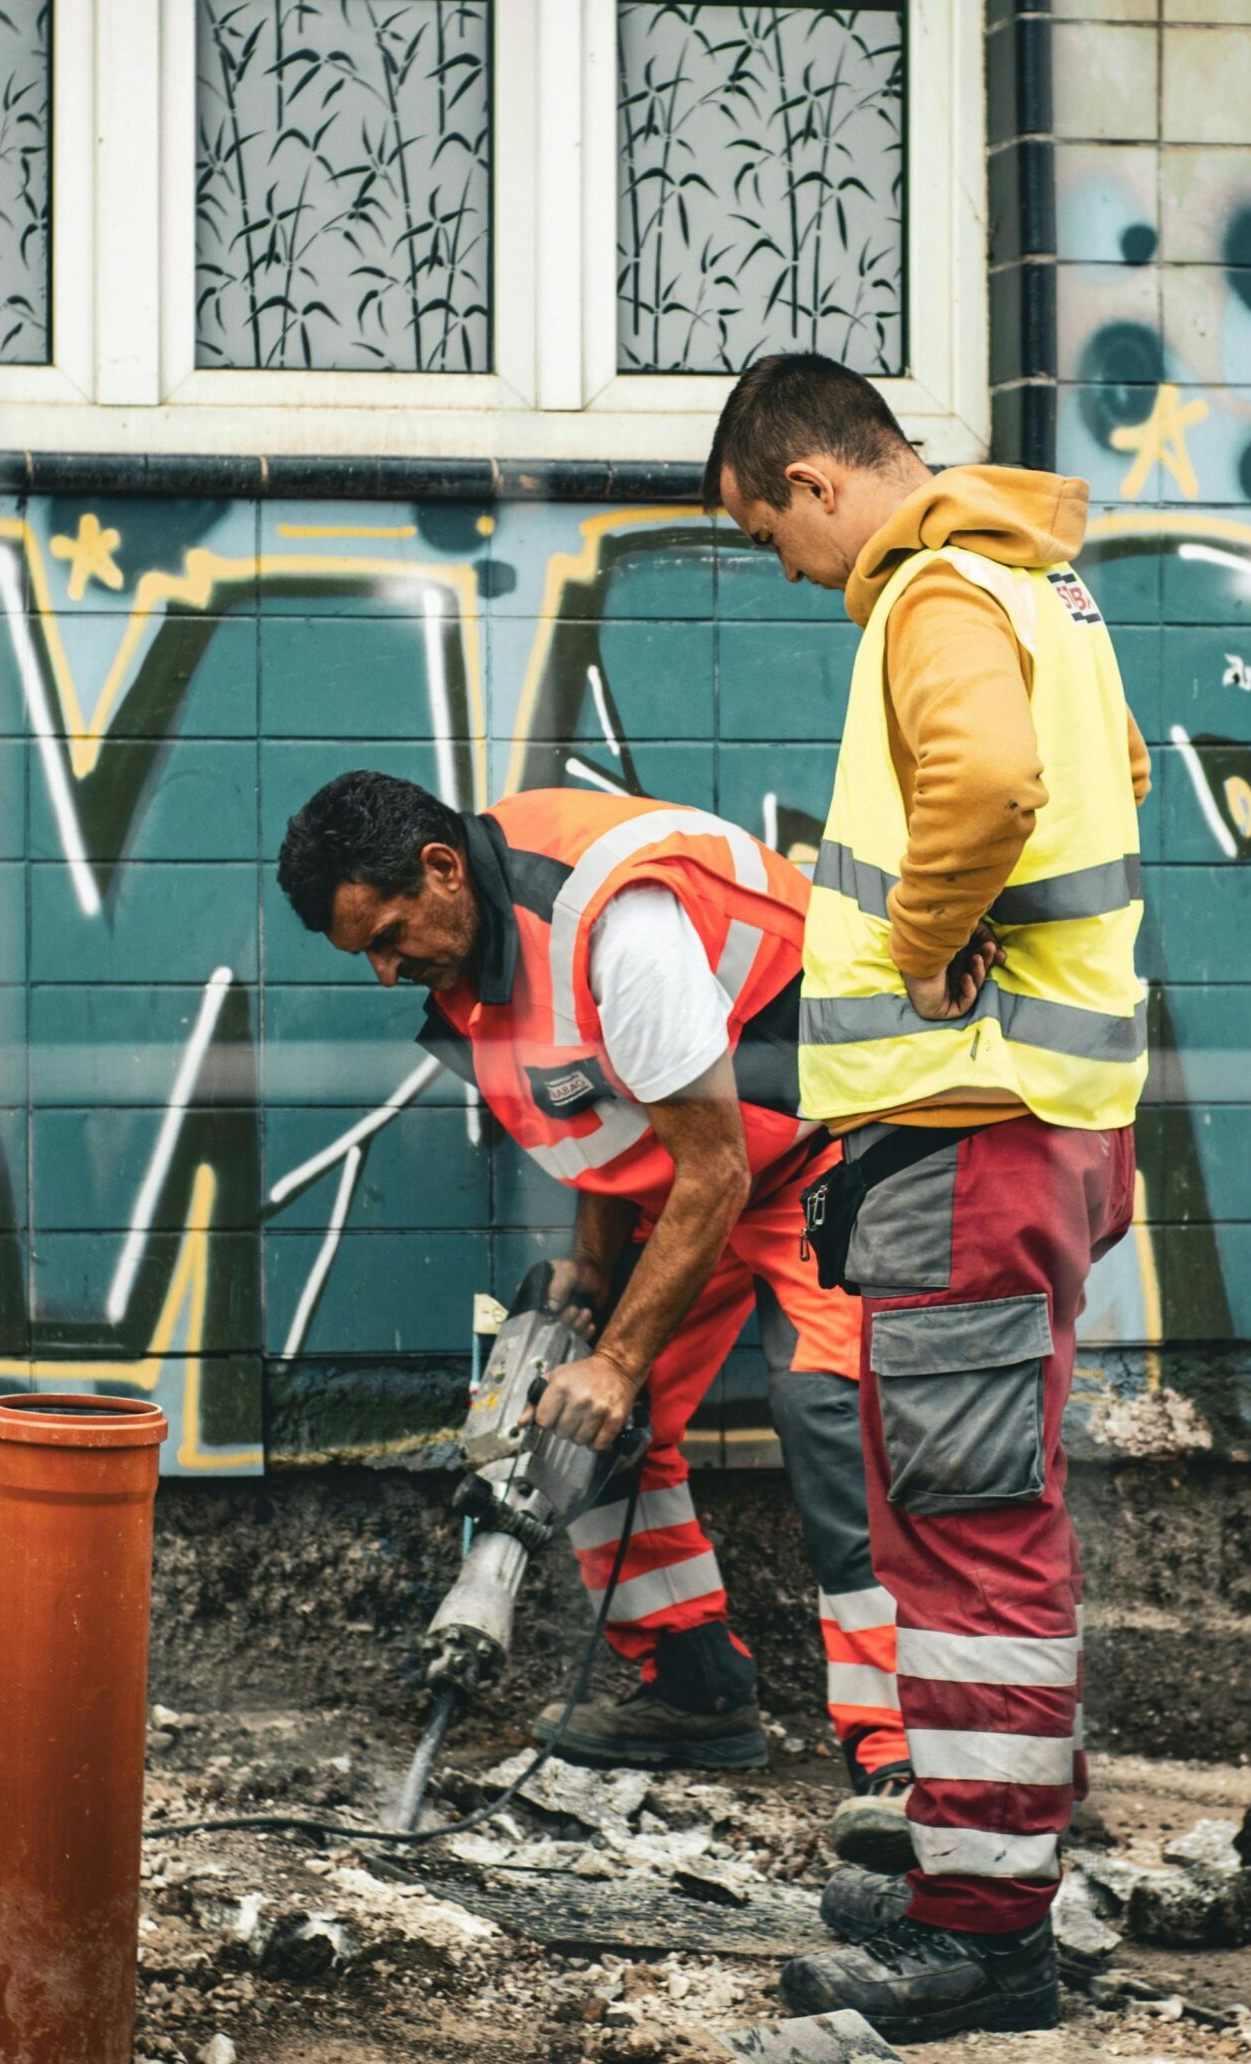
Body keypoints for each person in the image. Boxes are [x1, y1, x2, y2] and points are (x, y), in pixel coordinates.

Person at [705, 355, 1151, 2042]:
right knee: (972, 1506)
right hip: (1033, 1126)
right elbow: (1107, 775)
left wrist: (919, 939)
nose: (791, 572)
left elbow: (984, 787)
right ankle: (993, 1857)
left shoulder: (931, 596)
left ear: (817, 484)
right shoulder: (1042, 590)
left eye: (770, 535)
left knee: (964, 1528)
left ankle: (984, 1934)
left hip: (969, 1128)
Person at [276, 772, 911, 1852]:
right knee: (564, 1417)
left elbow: (708, 1169)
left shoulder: (616, 921)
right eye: (366, 955)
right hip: (702, 1170)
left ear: (438, 868)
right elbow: (603, 1100)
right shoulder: (480, 944)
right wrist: (587, 1276)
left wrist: (620, 1360)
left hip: (829, 1154)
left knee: (829, 1415)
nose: (388, 969)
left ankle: (902, 1753)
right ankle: (688, 1684)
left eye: (387, 936)